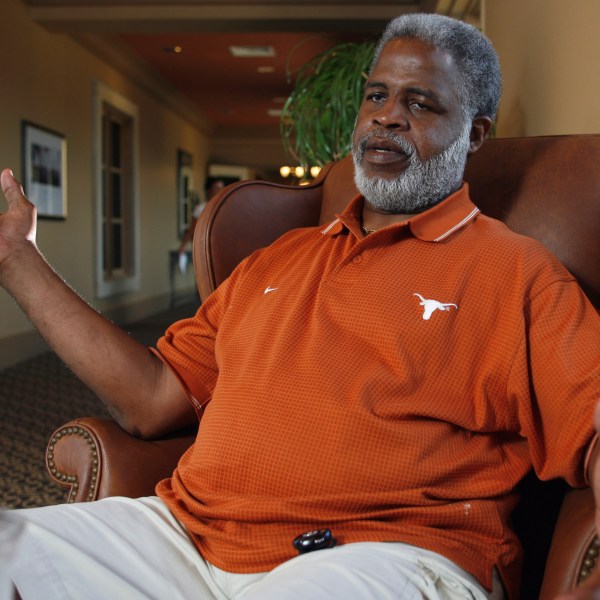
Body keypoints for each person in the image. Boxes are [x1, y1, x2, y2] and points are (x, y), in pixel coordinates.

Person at [0, 13, 599, 600]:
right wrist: (17, 262)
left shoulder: (518, 275)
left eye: (421, 103)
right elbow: (153, 399)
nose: (388, 115)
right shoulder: (278, 258)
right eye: (377, 95)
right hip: (186, 539)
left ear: (474, 133)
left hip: (384, 554)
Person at [177, 178, 225, 256]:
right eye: (216, 188)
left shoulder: (226, 207)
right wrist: (183, 246)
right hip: (205, 249)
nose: (220, 191)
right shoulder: (201, 208)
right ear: (209, 190)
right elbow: (192, 229)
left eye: (222, 188)